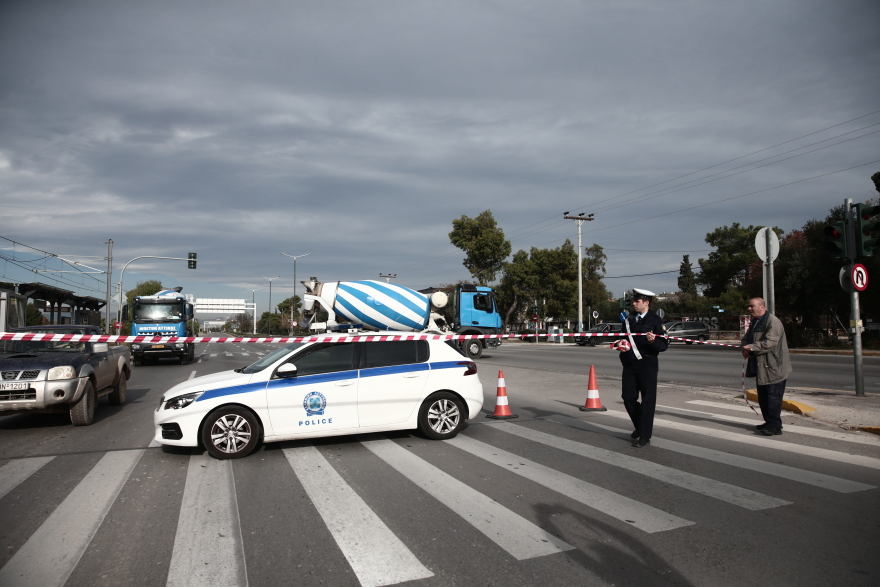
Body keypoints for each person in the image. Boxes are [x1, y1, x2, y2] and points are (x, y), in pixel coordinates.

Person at [616, 288, 668, 447]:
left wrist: (653, 341)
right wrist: (620, 344)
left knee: (647, 400)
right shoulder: (628, 320)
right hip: (630, 363)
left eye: (637, 301)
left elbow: (664, 345)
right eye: (633, 301)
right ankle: (640, 426)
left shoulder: (656, 321)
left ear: (647, 302)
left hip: (647, 364)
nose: (634, 304)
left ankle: (644, 435)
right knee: (628, 397)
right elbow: (623, 338)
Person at [741, 297, 792, 436]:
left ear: (762, 307)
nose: (749, 309)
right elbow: (747, 337)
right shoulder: (756, 322)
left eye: (752, 306)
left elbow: (770, 342)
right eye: (749, 306)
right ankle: (769, 421)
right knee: (763, 397)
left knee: (773, 397)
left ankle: (775, 425)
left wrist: (751, 347)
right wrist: (745, 347)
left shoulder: (773, 322)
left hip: (774, 367)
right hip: (762, 366)